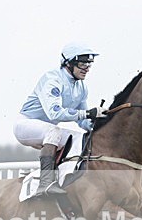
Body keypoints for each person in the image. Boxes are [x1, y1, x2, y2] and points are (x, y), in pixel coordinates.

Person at [14, 42, 106, 196]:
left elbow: (83, 120)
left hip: (48, 130)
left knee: (79, 138)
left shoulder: (81, 87)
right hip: (25, 125)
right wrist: (88, 113)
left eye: (89, 64)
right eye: (82, 63)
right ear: (69, 63)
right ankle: (45, 183)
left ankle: (65, 179)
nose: (87, 68)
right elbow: (54, 114)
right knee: (54, 131)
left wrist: (99, 123)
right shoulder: (52, 79)